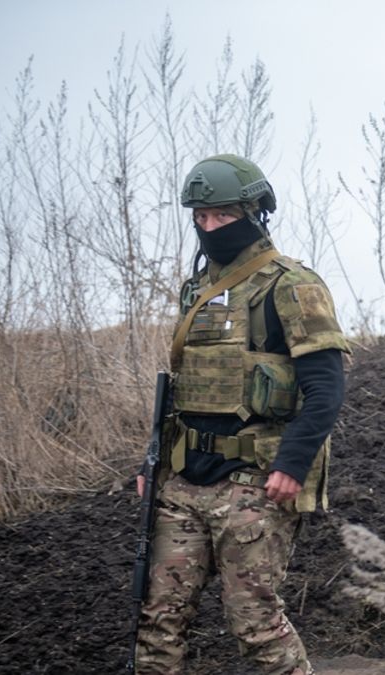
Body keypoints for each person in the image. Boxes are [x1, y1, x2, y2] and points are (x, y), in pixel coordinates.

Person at [134, 154, 349, 675]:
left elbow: (326, 387)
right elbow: (181, 390)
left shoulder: (291, 285)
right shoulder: (197, 290)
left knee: (254, 624)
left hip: (253, 483)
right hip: (183, 481)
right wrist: (151, 465)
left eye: (223, 217)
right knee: (157, 620)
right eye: (201, 218)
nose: (210, 228)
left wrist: (292, 465)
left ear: (255, 213)